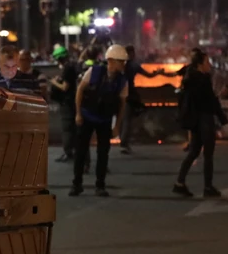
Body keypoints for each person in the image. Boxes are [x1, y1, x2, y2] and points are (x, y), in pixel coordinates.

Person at [70, 44, 129, 198]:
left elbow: (122, 105)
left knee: (103, 154)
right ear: (111, 61)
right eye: (120, 61)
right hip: (87, 115)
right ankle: (77, 184)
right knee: (81, 152)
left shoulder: (122, 81)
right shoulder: (94, 72)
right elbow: (80, 91)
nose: (123, 65)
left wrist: (117, 126)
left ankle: (100, 185)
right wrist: (78, 114)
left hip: (104, 120)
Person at [173, 49, 228, 198]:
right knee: (208, 154)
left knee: (193, 152)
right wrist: (223, 119)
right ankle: (208, 187)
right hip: (205, 119)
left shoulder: (189, 77)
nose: (209, 65)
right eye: (207, 62)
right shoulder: (203, 80)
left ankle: (179, 183)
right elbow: (212, 101)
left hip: (195, 121)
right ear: (200, 64)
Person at [118, 45, 161, 154]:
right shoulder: (133, 65)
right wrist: (157, 73)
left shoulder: (119, 65)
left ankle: (122, 139)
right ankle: (124, 143)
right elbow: (148, 75)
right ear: (131, 54)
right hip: (129, 95)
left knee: (123, 118)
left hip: (117, 94)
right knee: (127, 118)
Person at [49, 46, 78, 163]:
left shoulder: (67, 68)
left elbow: (65, 87)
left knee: (67, 128)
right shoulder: (71, 66)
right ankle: (73, 151)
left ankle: (68, 152)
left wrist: (54, 82)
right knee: (72, 128)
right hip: (71, 101)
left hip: (67, 102)